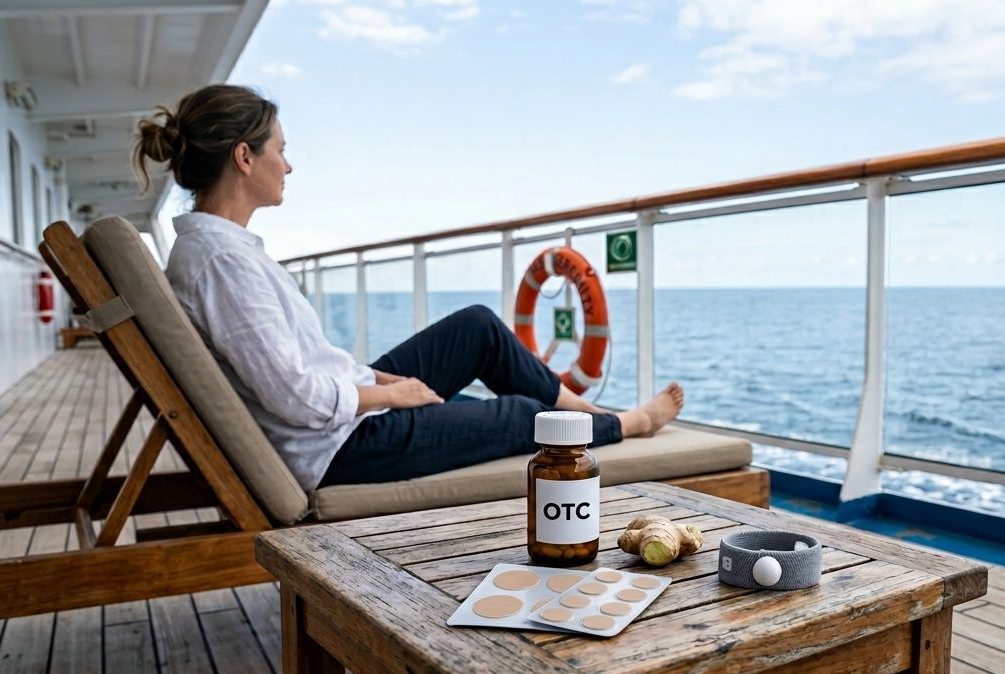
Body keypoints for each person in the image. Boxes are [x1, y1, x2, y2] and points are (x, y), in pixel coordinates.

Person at [133, 84, 684, 491]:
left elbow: (297, 365)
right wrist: (392, 395)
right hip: (339, 448)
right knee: (517, 415)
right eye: (280, 148)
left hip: (347, 417)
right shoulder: (222, 263)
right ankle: (625, 425)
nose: (289, 164)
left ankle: (590, 411)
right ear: (244, 157)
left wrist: (377, 376)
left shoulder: (224, 249)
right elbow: (294, 396)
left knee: (477, 328)